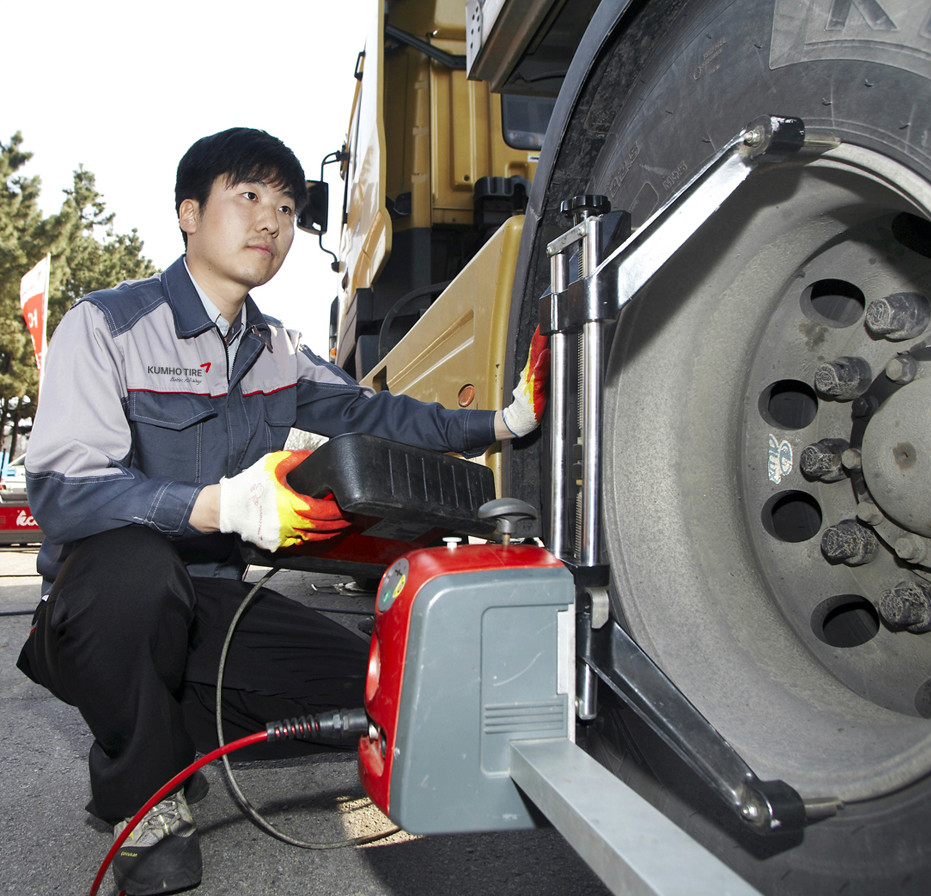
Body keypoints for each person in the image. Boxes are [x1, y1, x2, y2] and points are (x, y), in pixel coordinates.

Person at [16, 127, 548, 896]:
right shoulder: (106, 327)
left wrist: (499, 423)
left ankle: (158, 739)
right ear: (188, 214)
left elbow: (380, 416)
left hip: (210, 602)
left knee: (370, 687)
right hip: (104, 605)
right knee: (135, 569)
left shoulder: (277, 350)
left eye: (289, 207)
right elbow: (64, 494)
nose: (272, 221)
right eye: (250, 196)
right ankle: (143, 798)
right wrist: (216, 503)